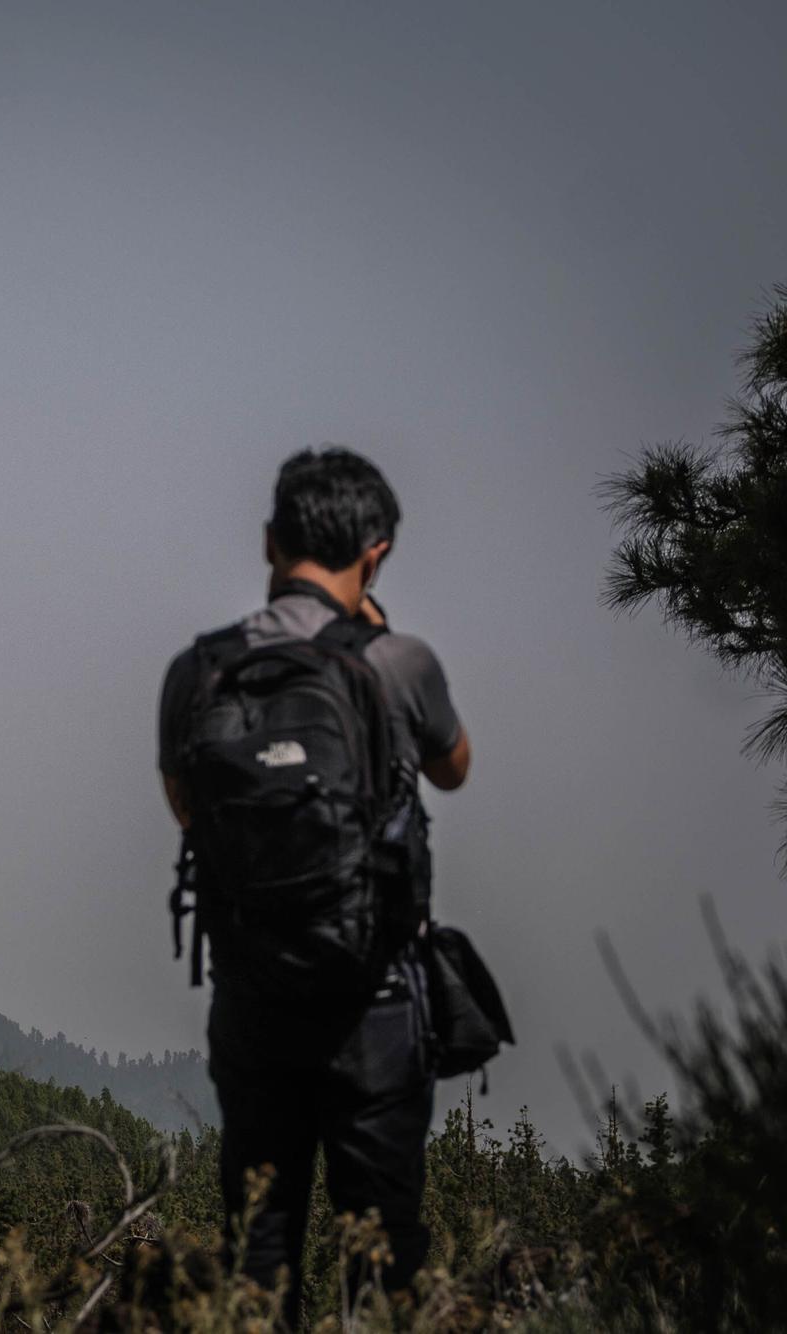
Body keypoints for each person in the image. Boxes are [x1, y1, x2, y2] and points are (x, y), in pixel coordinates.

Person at [156, 446, 470, 1322]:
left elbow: (187, 810)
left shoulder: (197, 673)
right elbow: (455, 769)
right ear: (378, 552)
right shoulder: (398, 662)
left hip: (252, 1001)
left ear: (268, 541)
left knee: (258, 1254)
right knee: (381, 1257)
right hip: (372, 1002)